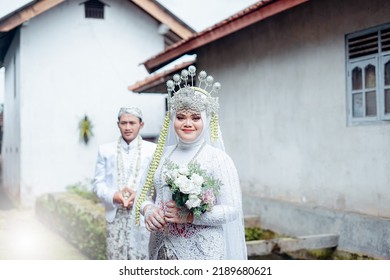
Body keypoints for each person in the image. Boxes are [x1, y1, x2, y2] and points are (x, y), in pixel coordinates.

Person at [134, 66, 247, 260]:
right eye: (180, 117)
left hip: (203, 252)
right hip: (160, 249)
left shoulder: (218, 159)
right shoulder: (160, 155)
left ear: (207, 119)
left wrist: (190, 216)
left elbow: (232, 208)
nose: (188, 123)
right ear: (172, 119)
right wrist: (148, 209)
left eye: (195, 117)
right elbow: (142, 195)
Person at [93, 107, 156, 260]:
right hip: (115, 215)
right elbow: (97, 184)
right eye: (124, 123)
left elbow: (157, 185)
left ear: (141, 125)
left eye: (132, 123)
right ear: (118, 124)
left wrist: (139, 196)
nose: (128, 127)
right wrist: (114, 196)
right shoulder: (105, 150)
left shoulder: (153, 150)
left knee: (143, 260)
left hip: (142, 216)